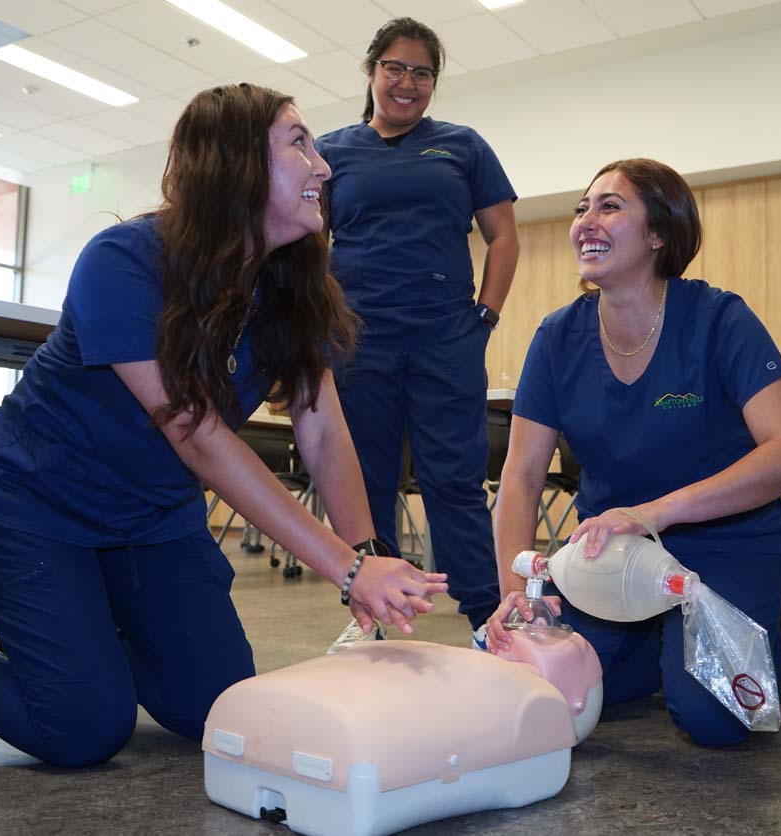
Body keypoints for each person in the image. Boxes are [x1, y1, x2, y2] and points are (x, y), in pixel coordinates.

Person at [0, 84, 448, 768]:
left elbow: (322, 430)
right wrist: (349, 571)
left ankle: (79, 635)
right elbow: (197, 435)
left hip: (151, 519)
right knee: (83, 729)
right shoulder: (124, 260)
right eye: (299, 143)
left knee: (216, 708)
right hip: (32, 505)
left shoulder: (287, 289)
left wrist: (367, 551)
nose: (323, 166)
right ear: (234, 164)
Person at [484, 159, 781, 747]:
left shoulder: (719, 319)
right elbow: (521, 475)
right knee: (548, 686)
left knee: (714, 721)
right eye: (582, 209)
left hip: (725, 543)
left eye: (609, 206)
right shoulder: (557, 338)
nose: (586, 220)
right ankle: (657, 639)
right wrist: (519, 590)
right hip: (610, 555)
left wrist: (655, 513)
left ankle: (764, 641)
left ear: (659, 233)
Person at [315, 17, 519, 649]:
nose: (407, 82)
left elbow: (504, 237)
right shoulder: (331, 151)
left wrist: (485, 318)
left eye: (422, 72)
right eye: (395, 68)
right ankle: (371, 615)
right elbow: (306, 246)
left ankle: (486, 616)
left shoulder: (462, 145)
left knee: (454, 479)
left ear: (434, 81)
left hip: (445, 337)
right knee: (365, 479)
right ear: (371, 71)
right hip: (358, 340)